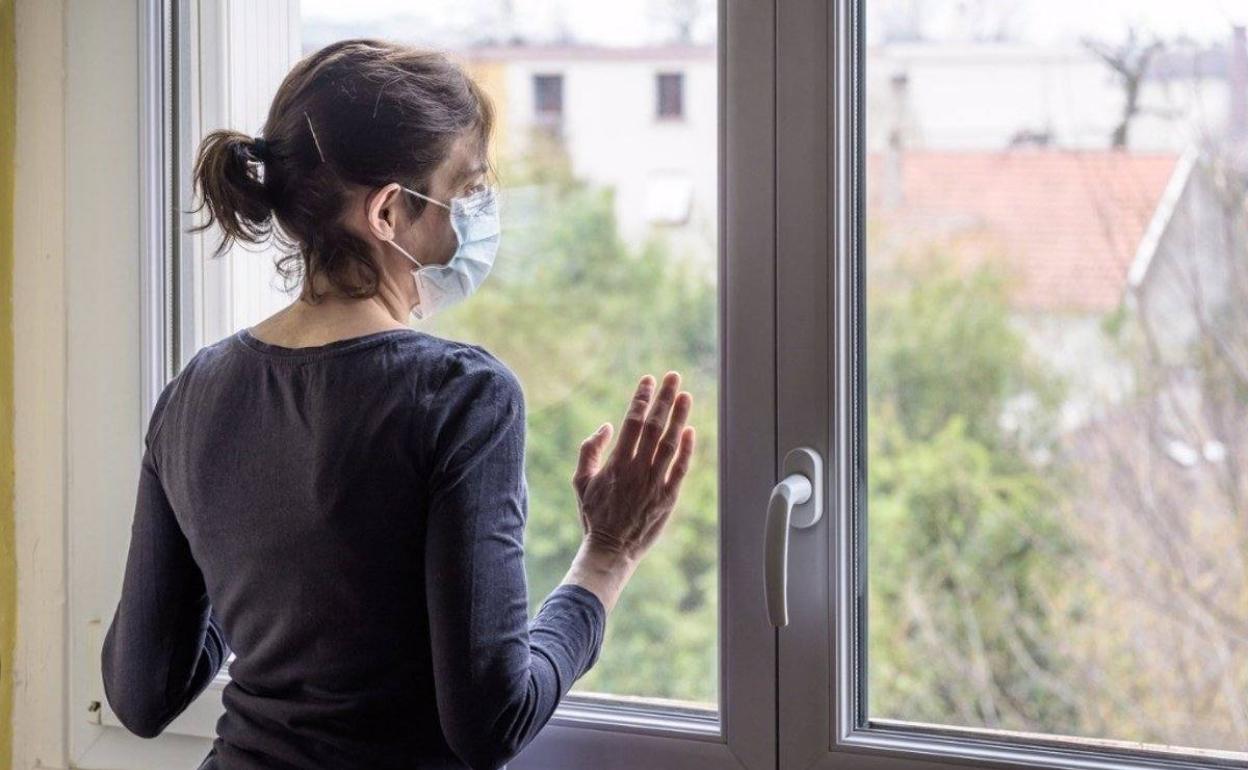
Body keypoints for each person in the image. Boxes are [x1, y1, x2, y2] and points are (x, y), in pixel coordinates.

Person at [100, 38, 696, 770]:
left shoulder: (195, 390)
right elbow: (491, 721)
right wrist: (608, 555)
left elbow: (141, 693)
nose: (477, 215)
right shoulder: (460, 396)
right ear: (387, 212)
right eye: (465, 190)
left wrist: (255, 554)